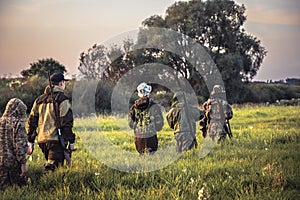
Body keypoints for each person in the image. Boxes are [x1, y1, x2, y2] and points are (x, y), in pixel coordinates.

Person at [27, 72, 76, 173]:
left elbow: (31, 122)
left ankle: (53, 186)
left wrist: (30, 141)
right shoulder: (62, 99)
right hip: (55, 140)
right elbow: (66, 123)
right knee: (51, 170)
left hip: (42, 141)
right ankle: (44, 187)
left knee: (56, 168)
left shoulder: (39, 100)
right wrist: (71, 141)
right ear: (61, 83)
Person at [128, 82, 164, 154]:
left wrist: (137, 127)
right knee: (151, 158)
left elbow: (130, 123)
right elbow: (159, 123)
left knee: (142, 157)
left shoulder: (133, 108)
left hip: (139, 139)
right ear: (148, 93)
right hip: (151, 138)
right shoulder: (155, 107)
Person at [0, 98, 28, 190]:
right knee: (17, 191)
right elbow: (20, 147)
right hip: (13, 166)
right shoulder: (18, 124)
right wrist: (23, 166)